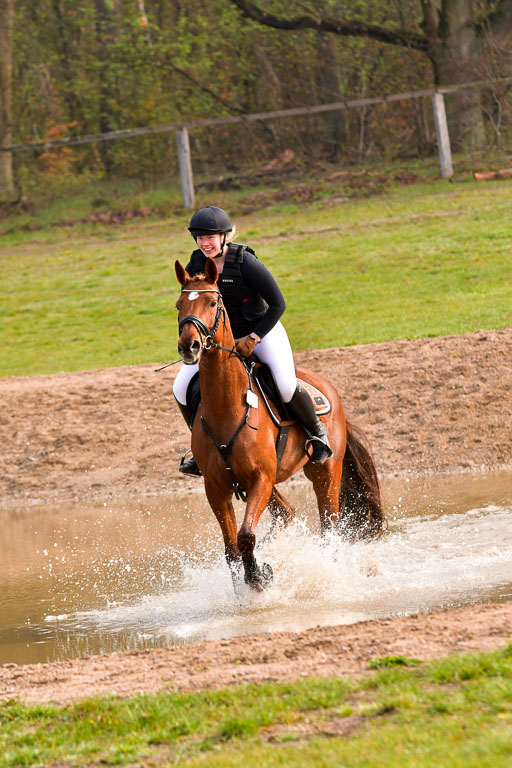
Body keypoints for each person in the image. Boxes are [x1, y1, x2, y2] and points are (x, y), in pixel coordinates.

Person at [173, 205, 332, 475]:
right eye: (200, 238)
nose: (204, 243)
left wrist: (254, 337)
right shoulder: (195, 264)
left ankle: (317, 434)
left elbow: (278, 304)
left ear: (224, 236)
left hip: (262, 331)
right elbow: (192, 307)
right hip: (220, 339)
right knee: (180, 387)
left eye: (209, 237)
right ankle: (202, 446)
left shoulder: (245, 262)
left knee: (284, 385)